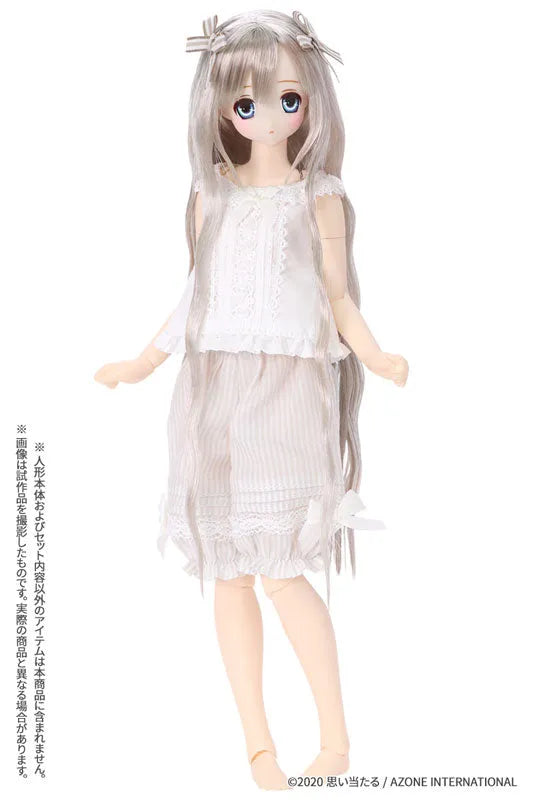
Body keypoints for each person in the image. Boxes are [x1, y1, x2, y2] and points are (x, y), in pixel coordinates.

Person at [94, 10, 408, 790]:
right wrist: (142, 361)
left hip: (287, 392)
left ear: (311, 102)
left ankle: (335, 739)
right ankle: (258, 745)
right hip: (213, 394)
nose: (267, 118)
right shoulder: (212, 194)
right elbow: (193, 294)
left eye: (286, 100)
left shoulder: (319, 198)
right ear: (221, 109)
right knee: (229, 572)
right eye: (246, 103)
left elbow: (336, 297)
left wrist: (374, 353)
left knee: (283, 571)